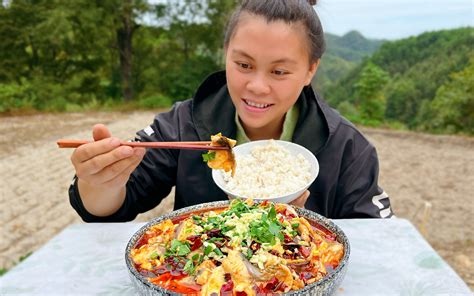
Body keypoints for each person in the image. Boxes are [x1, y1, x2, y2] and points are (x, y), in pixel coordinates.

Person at [68, 0, 392, 222]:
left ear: (310, 70)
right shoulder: (184, 124)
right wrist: (101, 182)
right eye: (243, 64)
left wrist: (302, 227)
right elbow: (112, 206)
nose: (257, 86)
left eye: (279, 72)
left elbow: (378, 238)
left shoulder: (348, 148)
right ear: (226, 55)